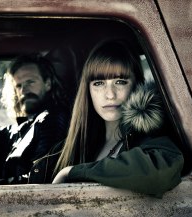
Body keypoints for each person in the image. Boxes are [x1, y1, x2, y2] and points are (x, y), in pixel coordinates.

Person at [29, 40, 184, 197]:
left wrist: (72, 172)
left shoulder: (149, 136)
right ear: (88, 90)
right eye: (99, 83)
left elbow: (158, 172)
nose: (110, 95)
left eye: (120, 82)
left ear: (137, 85)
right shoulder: (72, 146)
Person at [0, 54, 70, 184]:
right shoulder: (24, 127)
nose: (24, 90)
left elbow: (41, 177)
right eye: (19, 86)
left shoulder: (51, 120)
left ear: (47, 84)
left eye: (30, 82)